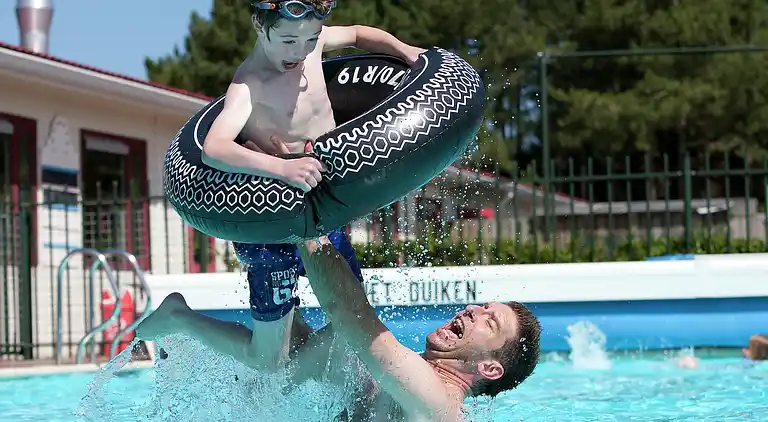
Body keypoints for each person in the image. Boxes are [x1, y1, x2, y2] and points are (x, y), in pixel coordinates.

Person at [197, 0, 426, 370]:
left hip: (320, 212)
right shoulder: (250, 84)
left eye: (310, 39)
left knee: (355, 319)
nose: (300, 51)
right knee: (269, 360)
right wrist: (281, 168)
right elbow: (214, 147)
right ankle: (178, 316)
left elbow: (357, 34)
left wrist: (405, 50)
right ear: (259, 25)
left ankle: (301, 378)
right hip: (272, 223)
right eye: (289, 41)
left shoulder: (312, 46)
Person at [137, 236, 541, 421]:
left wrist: (305, 225)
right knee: (332, 345)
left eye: (489, 320)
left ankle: (182, 318)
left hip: (266, 390)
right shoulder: (405, 382)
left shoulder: (437, 403)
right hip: (283, 384)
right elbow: (335, 333)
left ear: (490, 368)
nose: (472, 310)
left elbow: (350, 313)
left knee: (314, 348)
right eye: (481, 306)